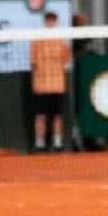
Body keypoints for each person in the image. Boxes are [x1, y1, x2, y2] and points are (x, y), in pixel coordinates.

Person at [30, 12, 72, 152]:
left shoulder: (61, 41)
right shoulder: (37, 41)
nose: (50, 23)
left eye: (52, 21)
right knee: (40, 115)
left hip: (58, 86)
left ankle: (58, 143)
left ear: (56, 21)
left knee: (58, 115)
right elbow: (33, 62)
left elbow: (67, 60)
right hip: (41, 86)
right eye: (48, 21)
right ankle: (40, 143)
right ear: (45, 21)